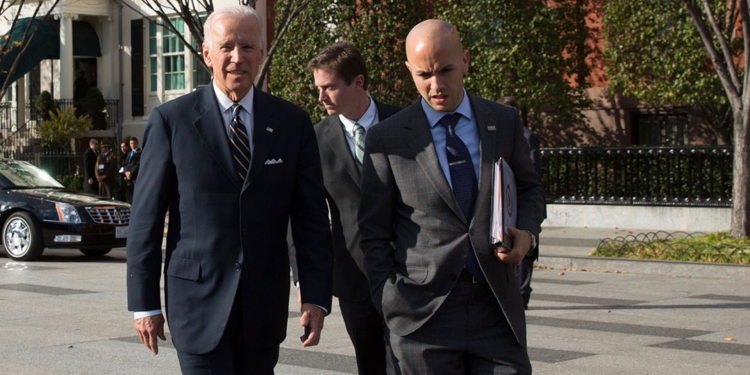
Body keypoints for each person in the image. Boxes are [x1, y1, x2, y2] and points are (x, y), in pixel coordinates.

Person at [126, 6, 333, 375]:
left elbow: (311, 220)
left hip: (263, 308)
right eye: (227, 47)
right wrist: (145, 304)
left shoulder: (291, 123)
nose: (238, 57)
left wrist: (315, 294)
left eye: (248, 47)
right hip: (196, 306)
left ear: (261, 53)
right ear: (207, 54)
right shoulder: (171, 121)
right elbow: (146, 220)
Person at [358, 20, 545, 374]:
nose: (437, 85)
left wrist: (527, 233)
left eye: (446, 70)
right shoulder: (388, 138)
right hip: (421, 316)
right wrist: (391, 298)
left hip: (496, 307)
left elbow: (529, 188)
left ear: (466, 61)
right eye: (424, 75)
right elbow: (373, 230)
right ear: (409, 71)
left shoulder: (502, 121)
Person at [306, 41, 401, 375]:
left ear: (358, 82)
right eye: (319, 88)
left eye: (329, 86)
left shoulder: (404, 123)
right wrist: (310, 285)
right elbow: (308, 217)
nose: (321, 97)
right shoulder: (314, 140)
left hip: (409, 272)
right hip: (353, 278)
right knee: (371, 365)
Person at [498, 96, 545, 310]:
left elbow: (531, 176)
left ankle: (522, 293)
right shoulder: (499, 136)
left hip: (523, 204)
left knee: (525, 250)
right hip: (506, 203)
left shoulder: (526, 136)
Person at [124, 137, 142, 203]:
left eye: (134, 143)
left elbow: (138, 164)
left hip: (135, 177)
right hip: (128, 177)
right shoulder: (129, 153)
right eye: (131, 143)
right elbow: (125, 164)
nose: (132, 145)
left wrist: (131, 173)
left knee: (136, 195)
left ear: (137, 143)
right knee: (129, 195)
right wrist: (126, 172)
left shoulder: (140, 152)